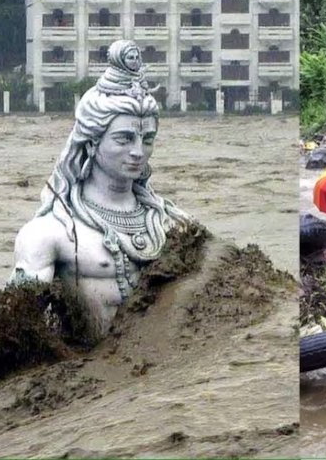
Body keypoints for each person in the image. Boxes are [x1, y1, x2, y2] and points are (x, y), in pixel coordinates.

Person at [12, 40, 193, 340]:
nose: (138, 151)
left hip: (165, 376)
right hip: (92, 373)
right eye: (124, 139)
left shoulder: (172, 223)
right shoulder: (49, 234)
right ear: (92, 142)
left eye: (147, 139)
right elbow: (16, 330)